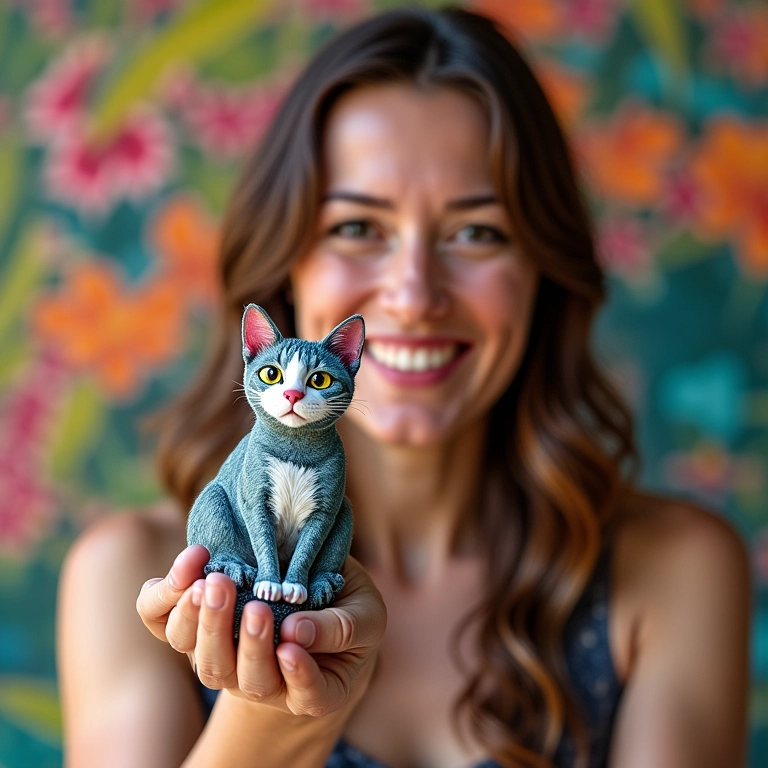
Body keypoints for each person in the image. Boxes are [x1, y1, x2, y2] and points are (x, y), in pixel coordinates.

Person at [56, 7, 751, 768]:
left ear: (542, 275)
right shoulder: (135, 576)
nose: (414, 294)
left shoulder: (677, 570)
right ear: (285, 263)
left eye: (476, 232)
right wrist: (277, 721)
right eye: (358, 228)